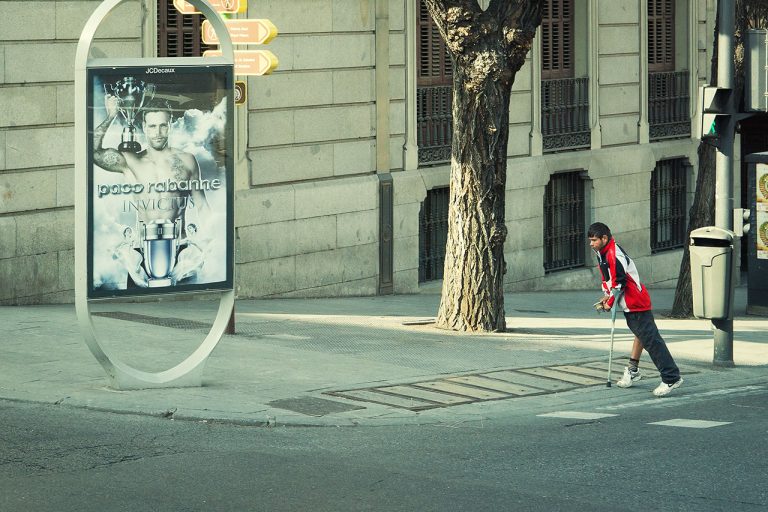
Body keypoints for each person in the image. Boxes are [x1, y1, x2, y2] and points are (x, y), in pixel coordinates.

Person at [588, 222, 683, 396]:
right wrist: (607, 295)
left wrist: (609, 303)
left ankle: (671, 377)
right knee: (642, 335)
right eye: (590, 240)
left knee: (652, 340)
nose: (591, 244)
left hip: (635, 302)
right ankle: (633, 370)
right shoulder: (602, 252)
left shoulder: (612, 254)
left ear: (604, 238)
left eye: (594, 240)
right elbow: (609, 280)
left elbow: (619, 282)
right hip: (630, 301)